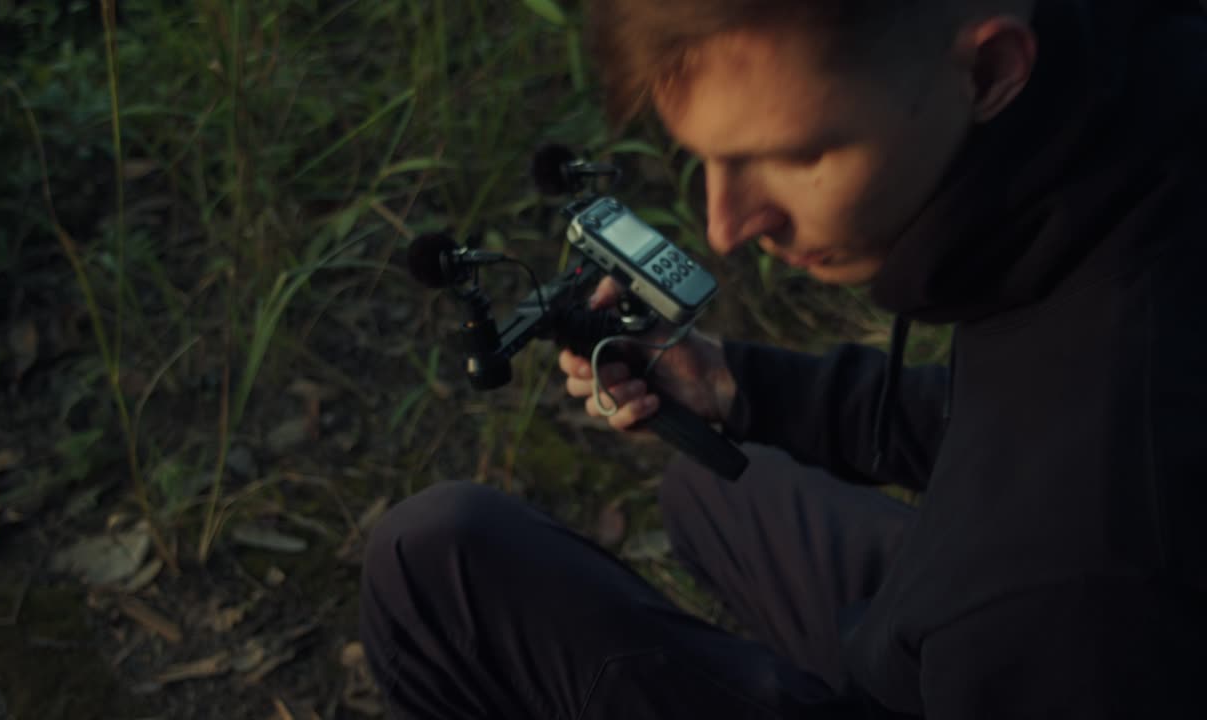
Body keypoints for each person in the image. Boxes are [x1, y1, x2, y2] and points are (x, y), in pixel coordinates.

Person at [358, 0, 1207, 716]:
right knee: (706, 481)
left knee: (435, 561)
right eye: (707, 160)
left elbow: (1057, 477)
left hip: (995, 658)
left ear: (987, 72)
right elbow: (1004, 422)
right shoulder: (1127, 123)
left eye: (793, 155)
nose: (726, 226)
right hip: (949, 607)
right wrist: (739, 386)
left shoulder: (1080, 579)